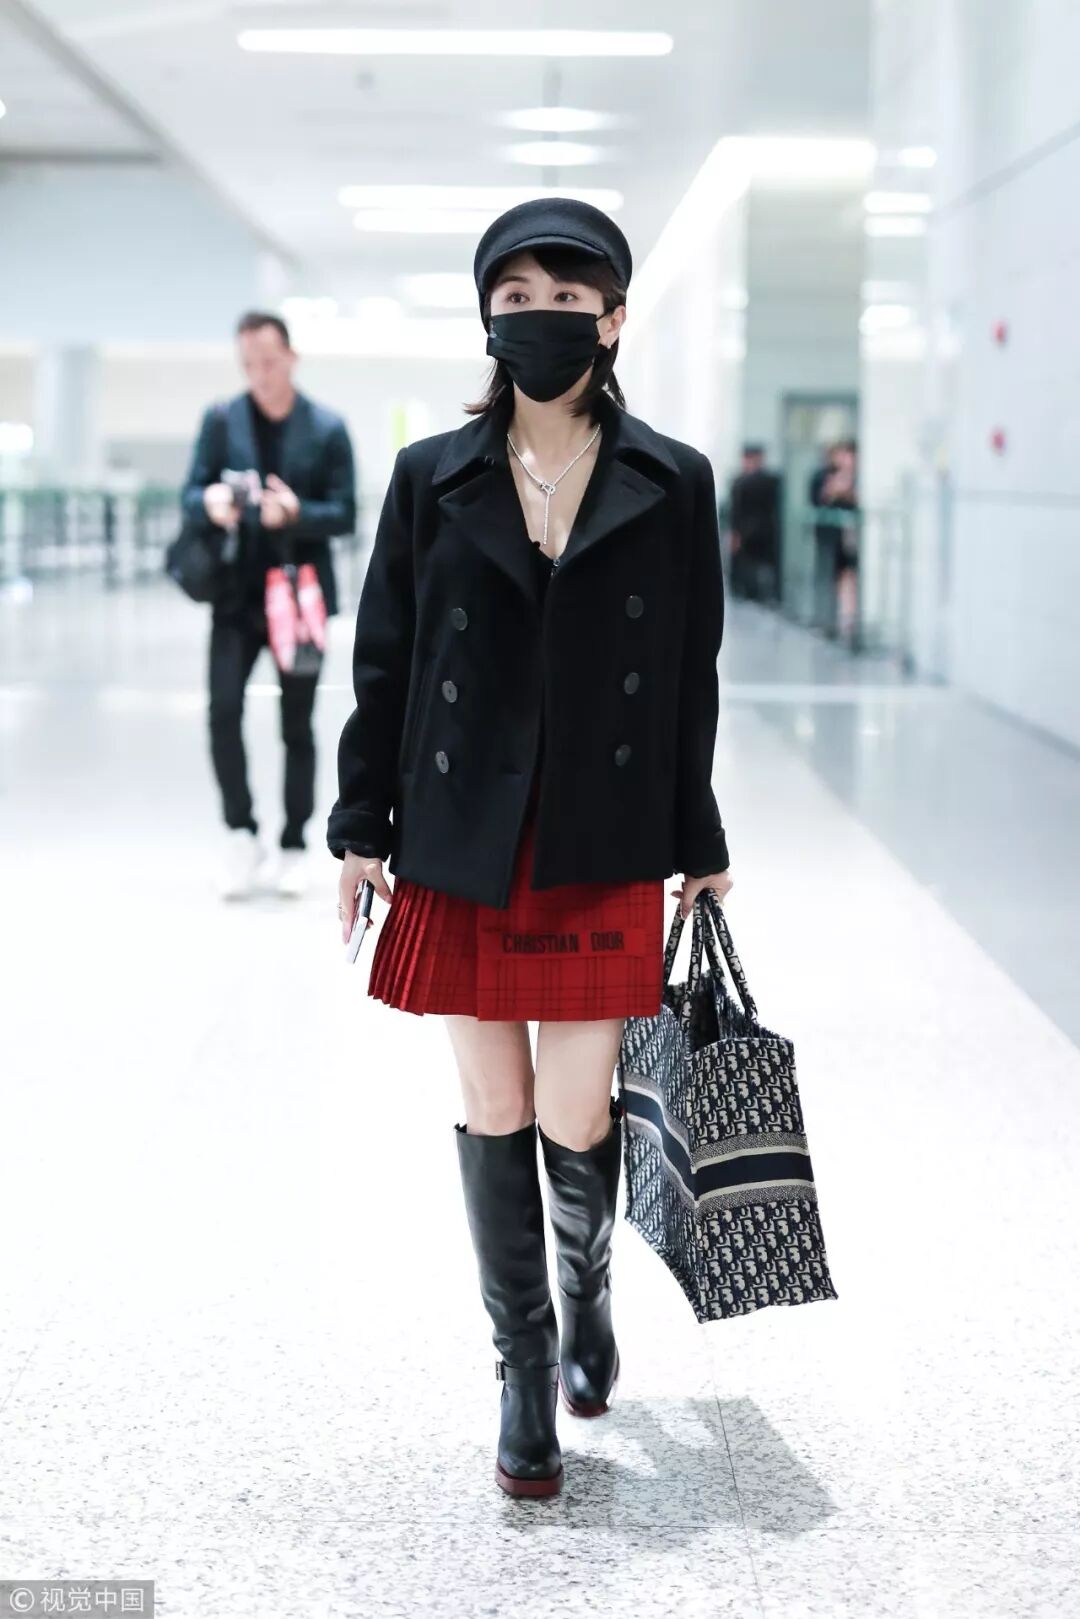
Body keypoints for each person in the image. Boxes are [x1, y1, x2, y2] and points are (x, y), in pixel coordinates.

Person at [326, 199, 733, 1499]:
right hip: (462, 834)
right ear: (486, 318)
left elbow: (690, 675)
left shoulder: (673, 480)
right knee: (494, 1105)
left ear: (613, 319)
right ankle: (524, 1361)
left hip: (600, 837)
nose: (540, 318)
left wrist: (699, 836)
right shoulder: (430, 475)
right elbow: (385, 660)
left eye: (567, 298)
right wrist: (359, 826)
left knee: (576, 1107)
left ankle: (586, 1284)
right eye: (517, 297)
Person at [181, 311, 356, 899]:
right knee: (222, 711)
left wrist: (296, 512)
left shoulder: (327, 427)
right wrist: (211, 502)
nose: (259, 373)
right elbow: (191, 492)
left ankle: (293, 842)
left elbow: (345, 513)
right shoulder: (221, 420)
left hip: (299, 601)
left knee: (297, 723)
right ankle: (241, 832)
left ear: (291, 358)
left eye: (269, 361)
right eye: (249, 363)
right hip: (235, 596)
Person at [809, 438, 858, 638]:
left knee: (848, 577)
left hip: (849, 537)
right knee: (834, 577)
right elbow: (820, 499)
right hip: (833, 539)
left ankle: (846, 620)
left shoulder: (855, 477)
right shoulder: (824, 476)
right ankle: (832, 619)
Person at [727, 442, 781, 603]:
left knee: (759, 565)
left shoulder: (758, 480)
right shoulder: (742, 481)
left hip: (761, 530)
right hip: (750, 530)